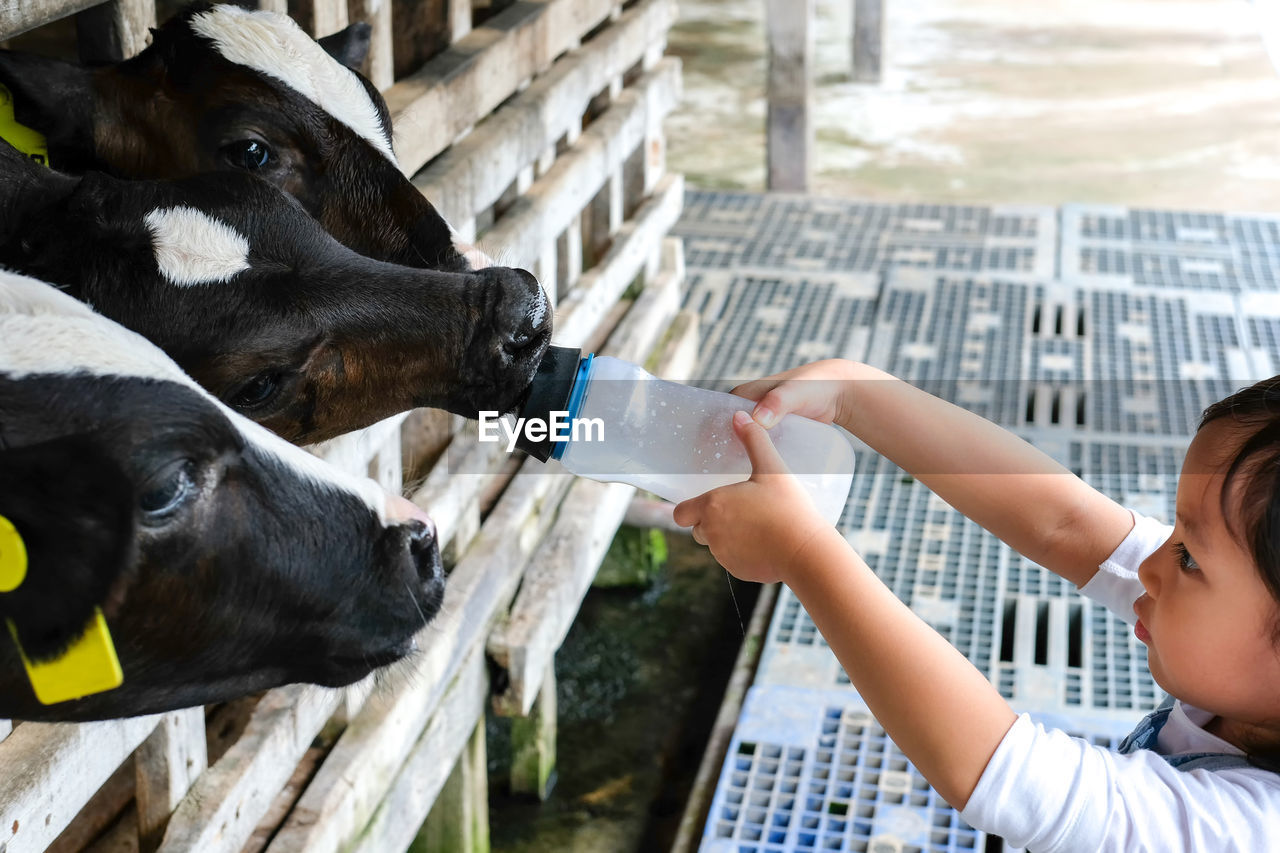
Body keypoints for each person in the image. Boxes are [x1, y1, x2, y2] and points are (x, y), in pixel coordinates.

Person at [673, 360, 1280, 851]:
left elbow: (1001, 770)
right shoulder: (1248, 655)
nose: (1151, 563)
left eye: (1190, 558)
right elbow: (1067, 523)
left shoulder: (1248, 831)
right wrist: (858, 397)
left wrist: (802, 550)